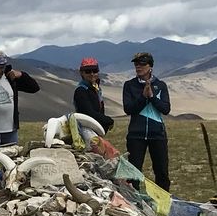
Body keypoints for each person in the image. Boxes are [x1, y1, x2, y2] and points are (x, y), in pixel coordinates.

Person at [121, 51, 171, 190]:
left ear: (150, 66)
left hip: (158, 135)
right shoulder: (129, 85)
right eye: (136, 64)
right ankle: (134, 200)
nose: (138, 67)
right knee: (134, 173)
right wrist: (143, 97)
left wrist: (152, 97)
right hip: (136, 135)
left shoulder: (160, 85)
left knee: (162, 172)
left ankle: (163, 201)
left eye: (142, 64)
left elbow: (166, 109)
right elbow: (128, 109)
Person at [72, 57, 113, 135]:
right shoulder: (81, 91)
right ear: (82, 73)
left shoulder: (96, 89)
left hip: (94, 130)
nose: (92, 74)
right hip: (85, 131)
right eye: (88, 71)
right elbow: (89, 113)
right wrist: (108, 120)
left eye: (95, 71)